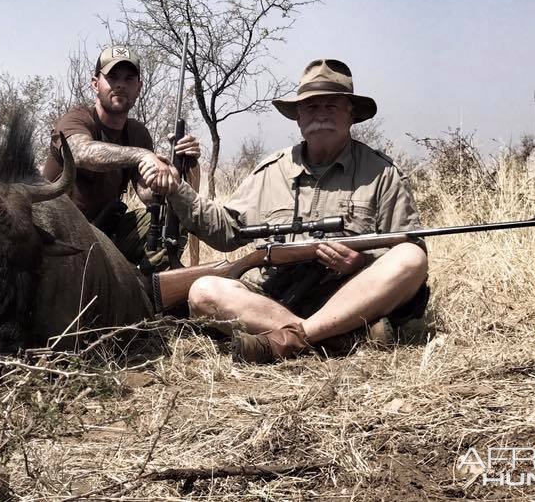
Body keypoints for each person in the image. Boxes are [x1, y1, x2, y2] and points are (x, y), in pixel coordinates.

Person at [153, 58, 429, 362]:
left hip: (350, 295)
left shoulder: (382, 173)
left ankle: (296, 337)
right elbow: (225, 231)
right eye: (311, 107)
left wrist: (361, 262)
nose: (321, 115)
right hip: (275, 298)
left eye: (331, 107)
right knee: (204, 291)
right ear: (298, 117)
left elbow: (407, 245)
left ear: (351, 115)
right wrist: (177, 187)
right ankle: (335, 336)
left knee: (411, 257)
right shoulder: (270, 171)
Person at [42, 45, 200, 272]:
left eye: (129, 79)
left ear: (139, 88)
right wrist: (143, 155)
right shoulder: (76, 119)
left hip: (105, 234)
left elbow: (148, 195)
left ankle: (152, 288)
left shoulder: (137, 133)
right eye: (112, 77)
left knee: (172, 217)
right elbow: (81, 152)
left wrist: (180, 168)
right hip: (59, 237)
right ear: (95, 83)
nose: (120, 85)